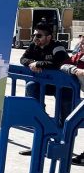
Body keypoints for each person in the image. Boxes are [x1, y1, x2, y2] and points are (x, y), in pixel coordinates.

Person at [20, 22, 72, 155]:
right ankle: (40, 140)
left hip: (66, 87)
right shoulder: (34, 45)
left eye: (39, 35)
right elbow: (23, 58)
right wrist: (31, 63)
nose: (35, 38)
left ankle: (63, 149)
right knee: (31, 87)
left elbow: (59, 62)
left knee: (66, 122)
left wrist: (39, 63)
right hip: (47, 84)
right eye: (34, 35)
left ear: (49, 37)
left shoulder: (58, 46)